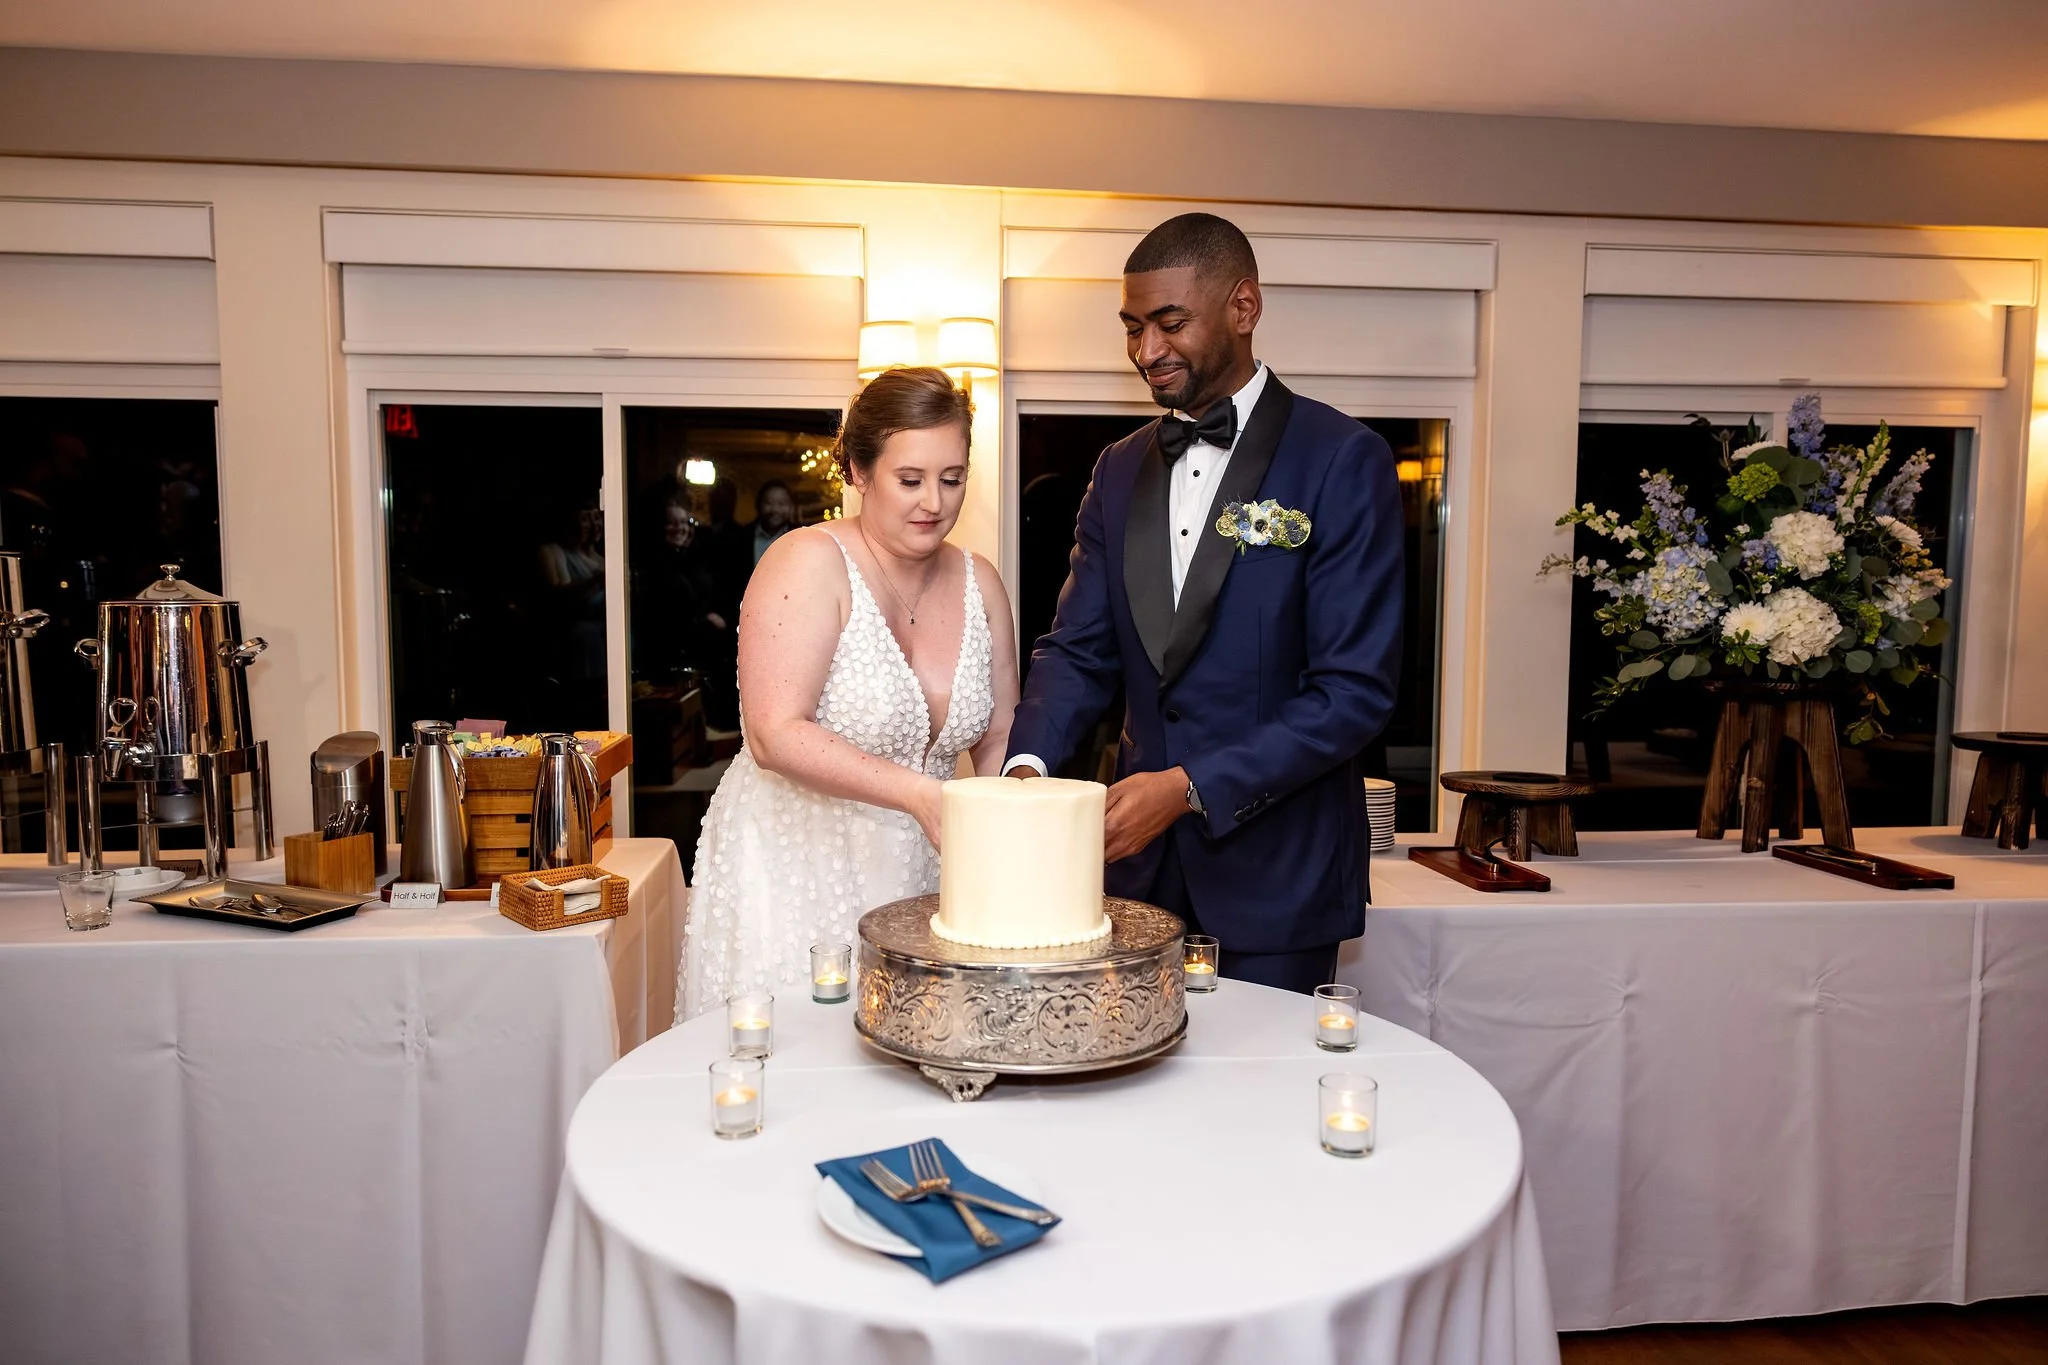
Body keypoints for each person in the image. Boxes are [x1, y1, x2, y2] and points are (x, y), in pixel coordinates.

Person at [1005, 213, 1403, 994]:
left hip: (1280, 877)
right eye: (1132, 327)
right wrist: (1027, 769)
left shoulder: (1343, 459)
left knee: (1265, 1107)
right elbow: (1079, 648)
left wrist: (1189, 786)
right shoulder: (1117, 471)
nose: (1146, 351)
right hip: (1136, 877)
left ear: (1244, 308)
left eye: (1169, 323)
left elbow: (1354, 694)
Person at [677, 367, 1021, 1020]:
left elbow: (1000, 731)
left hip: (928, 878)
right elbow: (774, 732)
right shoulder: (805, 560)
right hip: (797, 870)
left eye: (952, 479)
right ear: (859, 472)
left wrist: (1004, 826)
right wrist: (919, 793)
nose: (934, 502)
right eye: (910, 479)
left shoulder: (983, 581)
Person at [747, 478, 798, 565]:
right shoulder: (740, 536)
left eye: (781, 503)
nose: (775, 509)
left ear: (791, 506)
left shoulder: (799, 537)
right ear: (759, 505)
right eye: (769, 503)